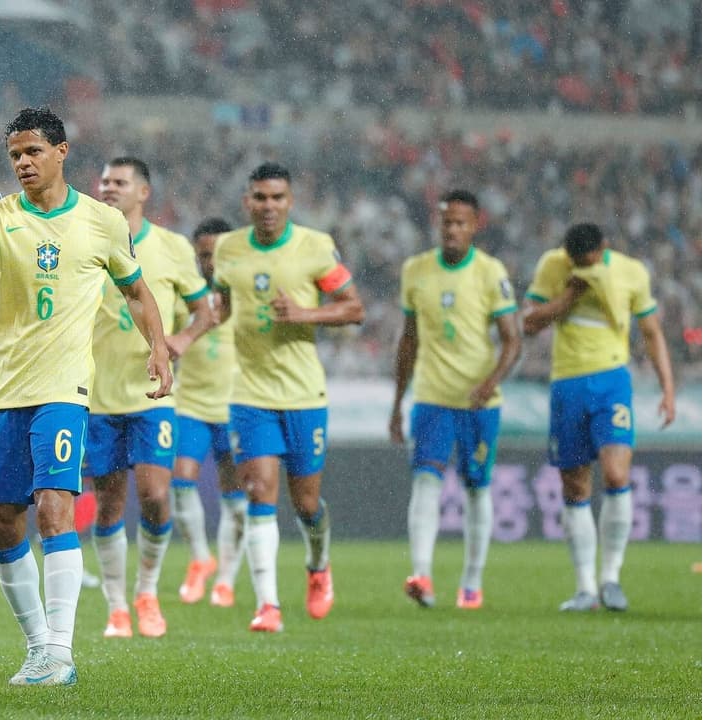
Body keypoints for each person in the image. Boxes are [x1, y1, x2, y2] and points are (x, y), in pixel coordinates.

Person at [0, 106, 172, 685]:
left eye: (33, 152)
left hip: (64, 387)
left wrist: (157, 346)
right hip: (5, 388)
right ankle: (38, 647)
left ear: (61, 151)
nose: (23, 163)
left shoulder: (102, 221)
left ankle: (60, 651)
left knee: (55, 507)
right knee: (2, 520)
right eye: (15, 155)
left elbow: (135, 290)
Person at [212, 162, 364, 632]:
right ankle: (268, 605)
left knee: (306, 504)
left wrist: (304, 314)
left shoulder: (315, 247)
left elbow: (354, 308)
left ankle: (318, 565)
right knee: (259, 491)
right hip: (249, 392)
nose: (269, 206)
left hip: (303, 394)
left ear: (290, 202)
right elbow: (223, 305)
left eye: (277, 197)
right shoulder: (227, 248)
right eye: (260, 197)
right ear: (247, 202)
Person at [86, 157, 215, 639]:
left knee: (156, 496)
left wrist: (180, 340)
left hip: (153, 394)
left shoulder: (172, 247)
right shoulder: (86, 239)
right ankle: (117, 606)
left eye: (120, 182)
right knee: (108, 505)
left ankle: (147, 591)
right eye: (104, 181)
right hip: (98, 396)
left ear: (143, 192)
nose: (108, 188)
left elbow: (206, 311)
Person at [522, 222, 676, 612]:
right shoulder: (553, 266)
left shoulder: (631, 272)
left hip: (612, 381)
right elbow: (529, 323)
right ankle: (586, 589)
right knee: (575, 487)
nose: (582, 265)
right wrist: (569, 295)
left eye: (588, 260)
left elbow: (652, 332)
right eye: (575, 259)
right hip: (567, 382)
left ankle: (611, 578)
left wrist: (668, 387)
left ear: (604, 248)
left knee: (616, 474)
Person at [389, 190, 522, 610]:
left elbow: (513, 339)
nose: (452, 230)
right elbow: (408, 340)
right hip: (431, 397)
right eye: (446, 222)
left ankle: (471, 582)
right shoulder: (416, 270)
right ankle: (422, 576)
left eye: (460, 223)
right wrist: (397, 402)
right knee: (425, 480)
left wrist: (490, 382)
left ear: (475, 225)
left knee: (476, 488)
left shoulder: (489, 272)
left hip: (479, 403)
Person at [170, 216, 247, 608]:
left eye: (217, 254)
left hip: (235, 405)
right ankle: (201, 558)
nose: (211, 262)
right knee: (182, 480)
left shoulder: (245, 293)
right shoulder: (185, 294)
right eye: (203, 255)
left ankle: (227, 579)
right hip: (191, 404)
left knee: (236, 494)